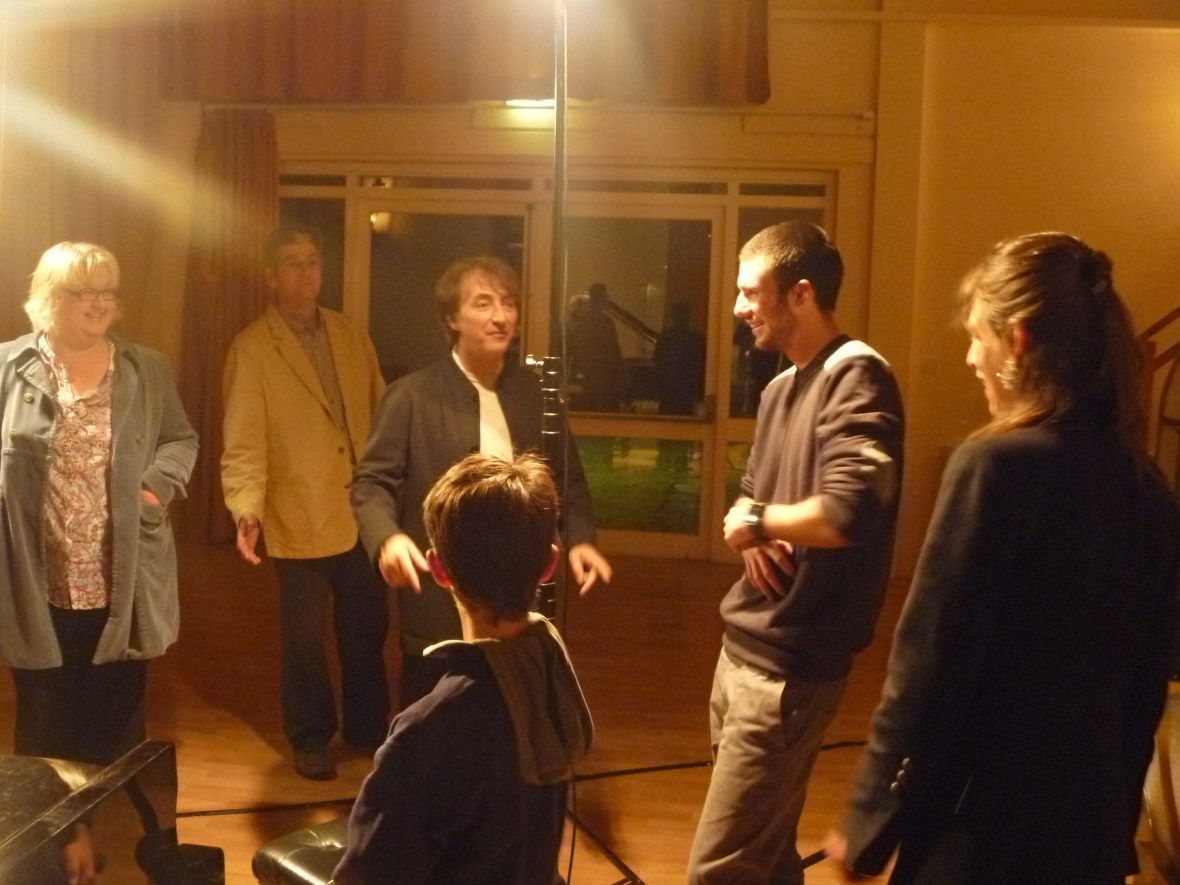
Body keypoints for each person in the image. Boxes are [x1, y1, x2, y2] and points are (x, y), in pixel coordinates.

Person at [830, 233, 1180, 884]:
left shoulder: (997, 467)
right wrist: (1114, 829)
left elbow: (930, 663)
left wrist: (869, 816)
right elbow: (1145, 688)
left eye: (976, 337)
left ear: (1016, 340)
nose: (970, 357)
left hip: (982, 830)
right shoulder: (1149, 486)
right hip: (1086, 837)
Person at [688, 221, 905, 884]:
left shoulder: (858, 375)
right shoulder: (781, 387)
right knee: (767, 854)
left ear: (801, 293)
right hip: (742, 651)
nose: (738, 307)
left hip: (787, 669)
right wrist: (750, 522)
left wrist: (757, 518)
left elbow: (848, 512)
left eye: (751, 291)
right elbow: (750, 496)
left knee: (719, 870)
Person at [351, 256, 611, 709]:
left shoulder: (534, 394)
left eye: (508, 304)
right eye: (483, 303)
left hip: (519, 594)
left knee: (515, 708)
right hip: (439, 592)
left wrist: (581, 538)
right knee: (433, 715)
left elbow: (567, 479)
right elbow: (371, 483)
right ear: (452, 319)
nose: (500, 316)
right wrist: (386, 538)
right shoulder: (411, 396)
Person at [333, 452, 594, 885]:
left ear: (438, 568)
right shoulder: (553, 673)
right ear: (549, 565)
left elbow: (369, 875)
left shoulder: (432, 727)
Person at [0, 241, 198, 773]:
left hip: (119, 579)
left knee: (117, 721)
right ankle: (53, 824)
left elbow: (181, 439)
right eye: (84, 292)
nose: (100, 303)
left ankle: (112, 820)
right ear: (49, 296)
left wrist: (154, 489)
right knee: (43, 720)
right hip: (38, 578)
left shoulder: (145, 368)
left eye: (107, 291)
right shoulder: (8, 367)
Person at [221, 224, 390, 781]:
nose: (306, 272)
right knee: (303, 641)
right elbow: (243, 441)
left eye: (312, 260)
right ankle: (311, 737)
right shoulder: (252, 348)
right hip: (299, 513)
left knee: (366, 629)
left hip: (362, 512)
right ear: (271, 276)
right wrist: (246, 508)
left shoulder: (348, 332)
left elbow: (380, 412)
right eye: (292, 263)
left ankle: (368, 729)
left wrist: (392, 490)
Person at [568, 281, 628, 412]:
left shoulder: (581, 323)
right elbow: (613, 352)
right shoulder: (605, 322)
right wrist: (621, 379)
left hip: (586, 379)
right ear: (602, 298)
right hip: (604, 380)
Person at [654, 300, 705, 416]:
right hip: (687, 389)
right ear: (688, 318)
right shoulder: (696, 339)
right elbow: (699, 366)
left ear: (673, 317)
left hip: (668, 389)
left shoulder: (664, 337)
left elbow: (658, 361)